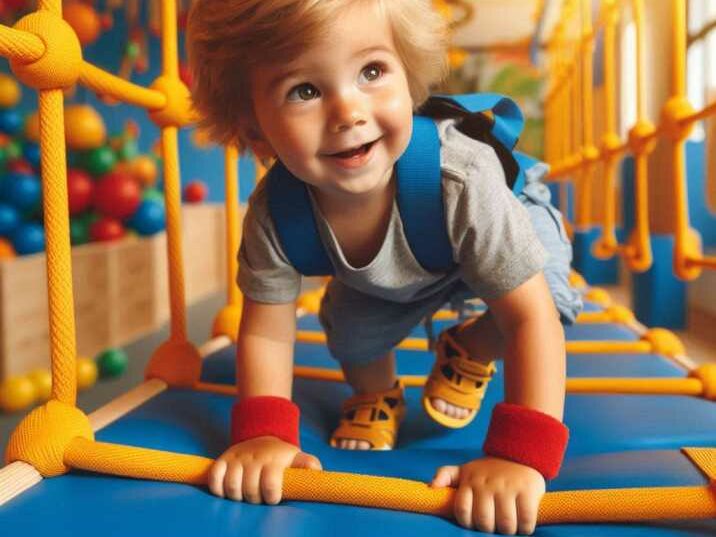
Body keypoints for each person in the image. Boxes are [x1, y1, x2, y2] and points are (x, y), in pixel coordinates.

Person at [187, 1, 582, 534]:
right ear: (255, 130)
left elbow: (530, 318)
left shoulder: (458, 177)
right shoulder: (276, 213)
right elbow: (268, 333)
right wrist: (265, 436)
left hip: (507, 227)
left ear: (409, 74)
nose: (348, 112)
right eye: (304, 90)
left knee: (551, 303)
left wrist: (520, 458)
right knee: (347, 333)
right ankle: (376, 394)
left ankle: (470, 347)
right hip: (396, 272)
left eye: (371, 71)